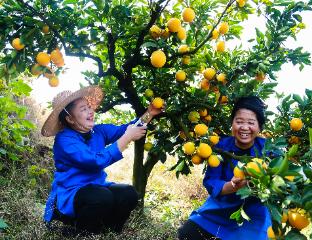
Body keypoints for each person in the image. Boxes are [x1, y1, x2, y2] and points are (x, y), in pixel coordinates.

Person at [41, 85, 162, 234]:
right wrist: (127, 138)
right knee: (101, 197)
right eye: (83, 109)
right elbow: (94, 161)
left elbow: (127, 129)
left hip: (97, 186)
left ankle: (109, 230)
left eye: (89, 107)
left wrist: (149, 113)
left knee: (129, 193)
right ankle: (81, 231)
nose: (90, 111)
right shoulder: (65, 140)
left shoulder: (98, 131)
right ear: (69, 118)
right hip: (73, 191)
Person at [178, 96, 271, 240]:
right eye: (239, 122)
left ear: (259, 126)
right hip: (220, 209)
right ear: (232, 123)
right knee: (187, 233)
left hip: (253, 215)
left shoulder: (269, 150)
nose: (245, 127)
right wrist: (233, 186)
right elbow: (212, 181)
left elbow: (284, 179)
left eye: (251, 122)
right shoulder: (220, 147)